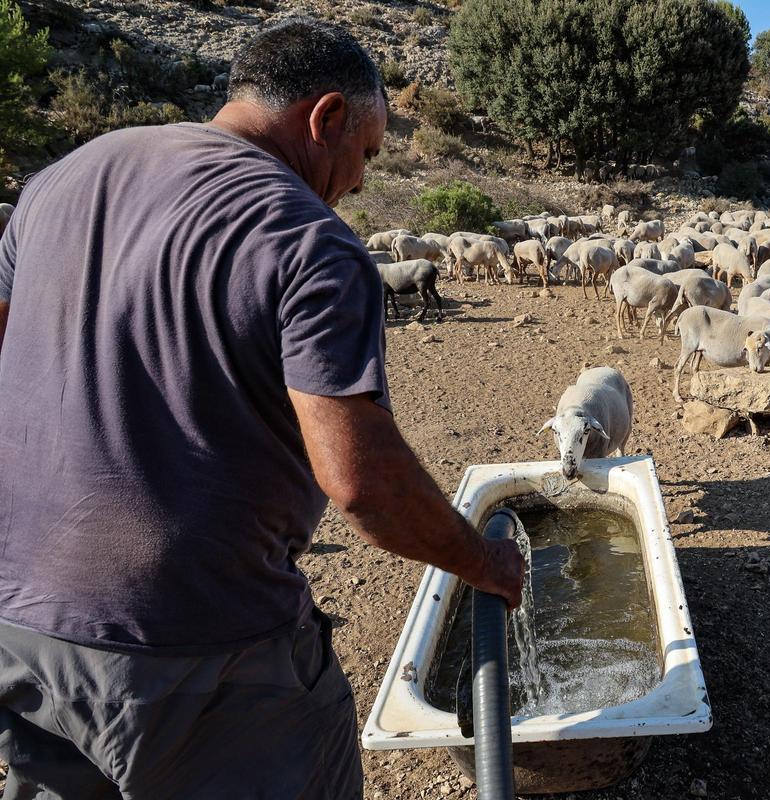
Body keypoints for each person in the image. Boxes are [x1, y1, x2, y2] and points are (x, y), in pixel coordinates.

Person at [0, 17, 523, 799]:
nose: (359, 184)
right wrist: (481, 562)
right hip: (200, 649)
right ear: (328, 119)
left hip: (23, 631)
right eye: (368, 156)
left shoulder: (60, 181)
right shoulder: (310, 241)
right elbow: (362, 483)